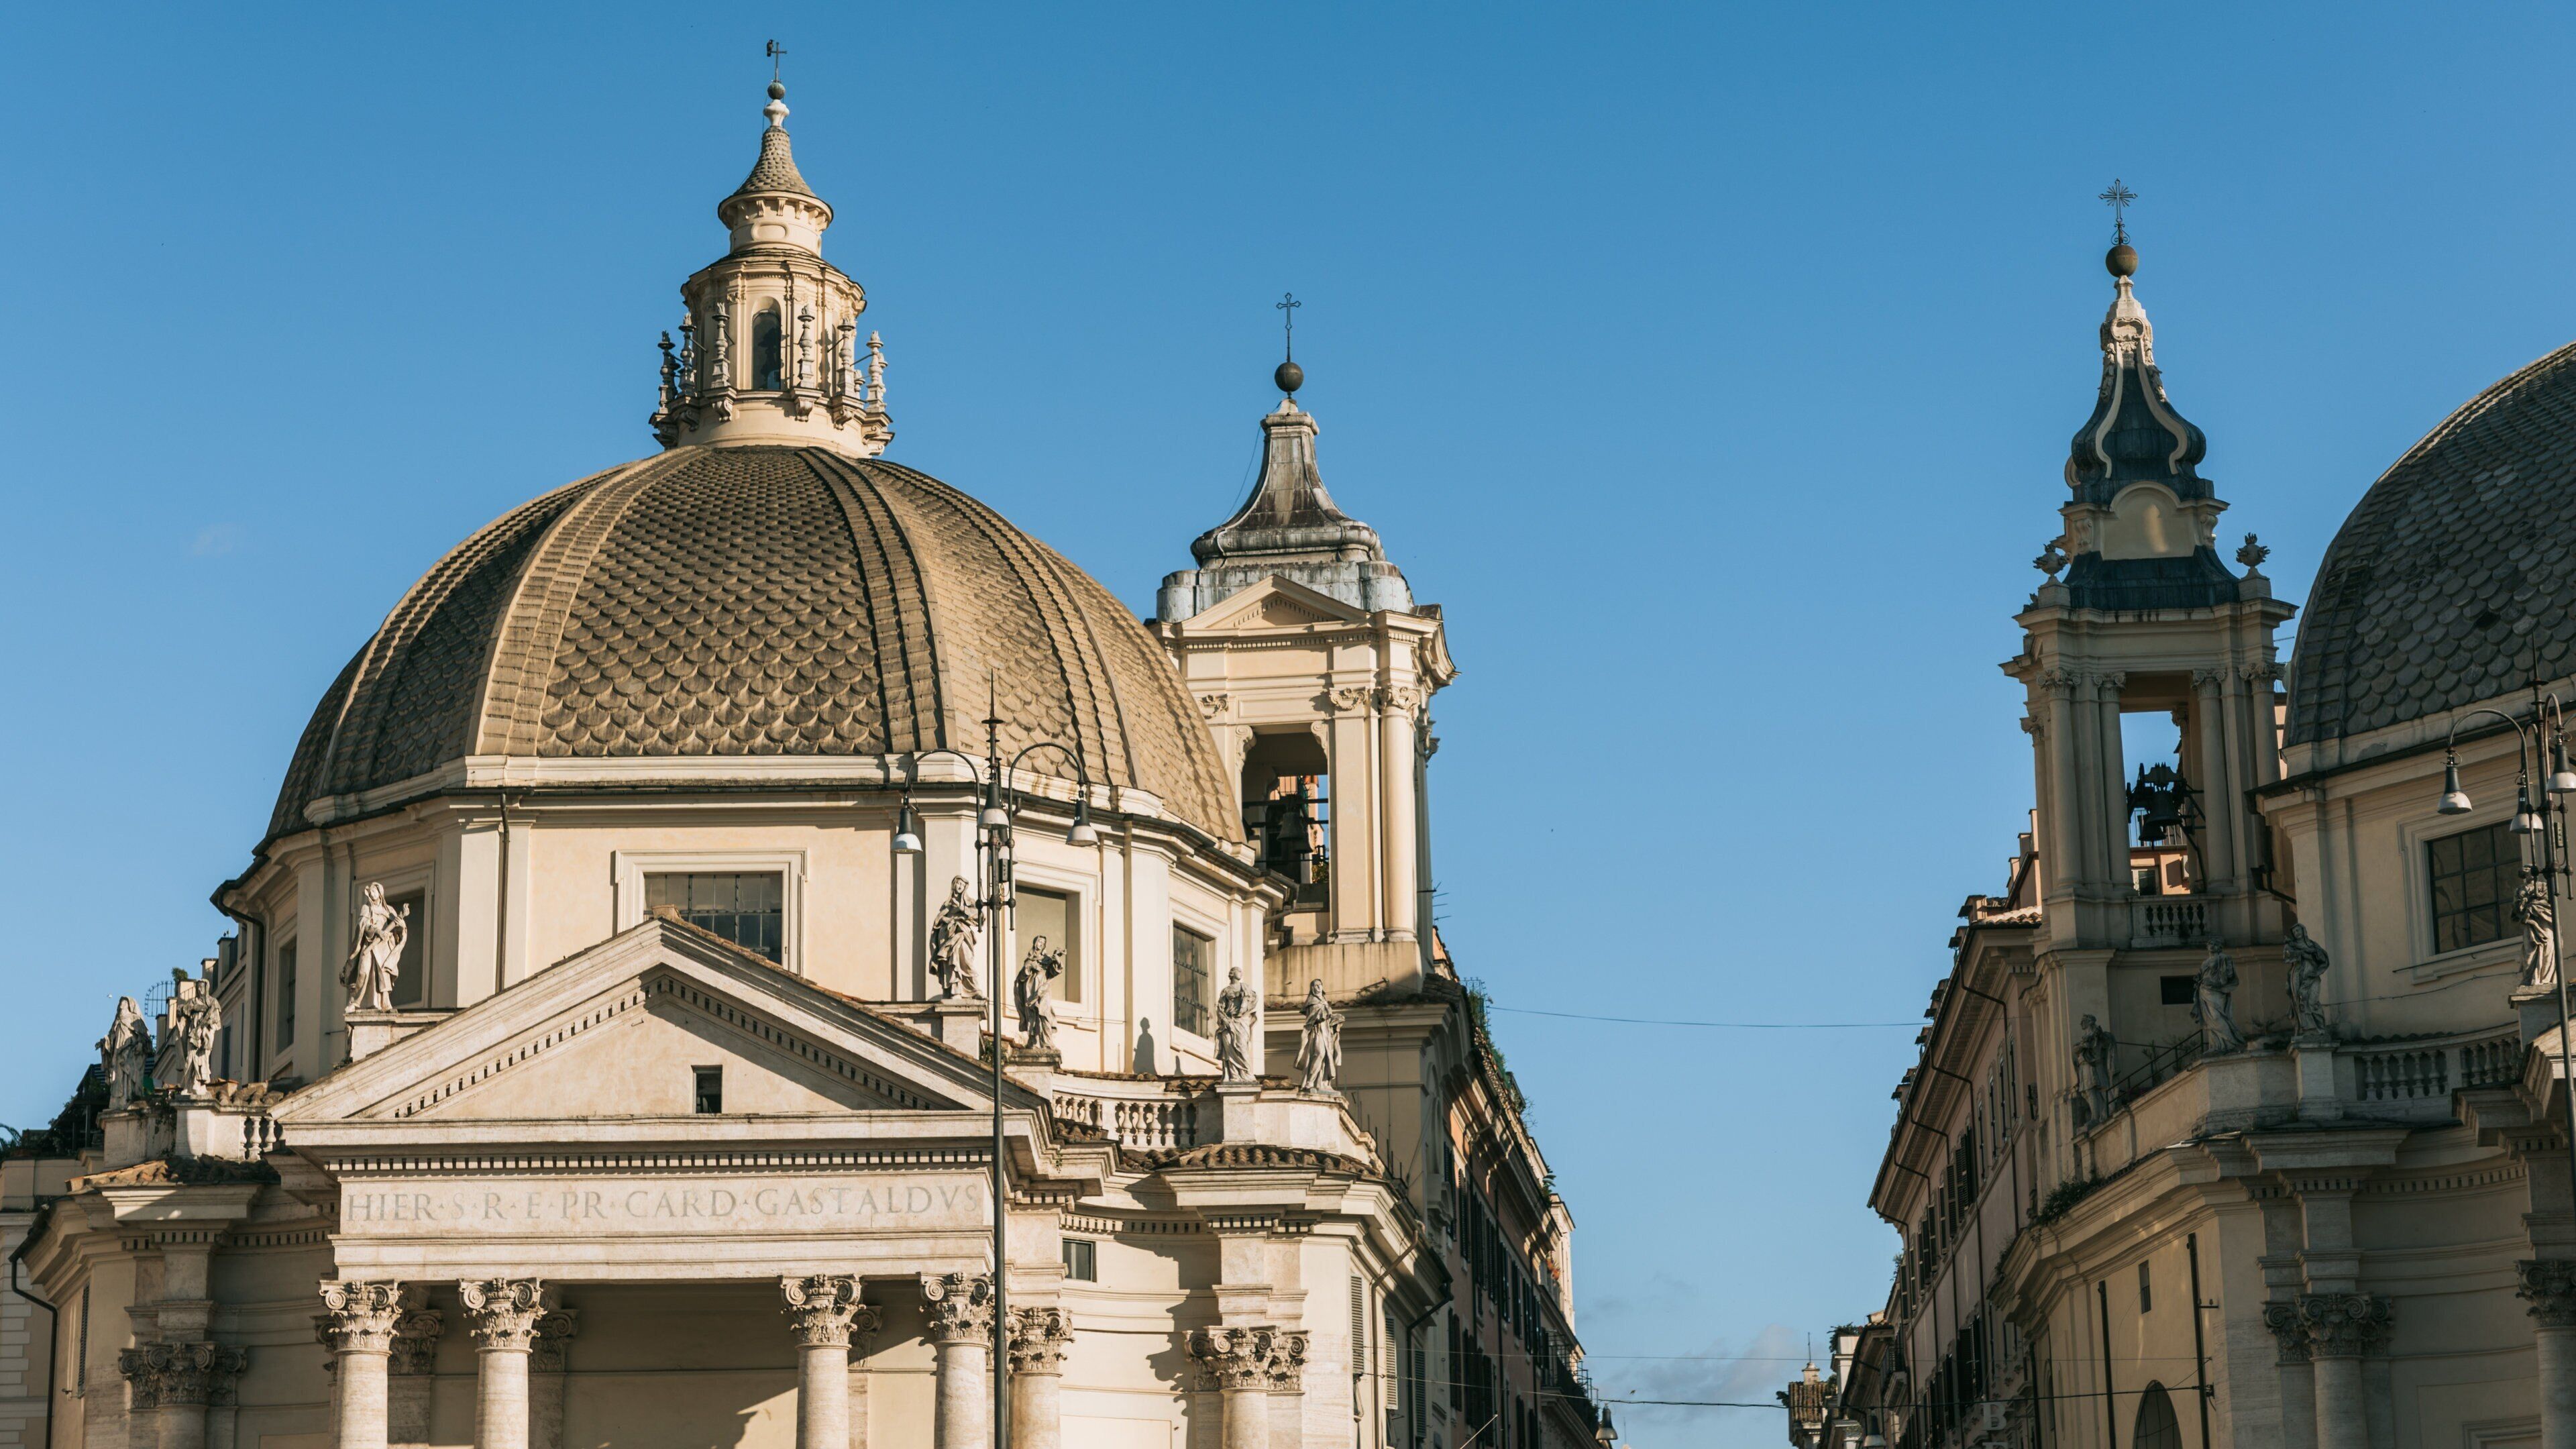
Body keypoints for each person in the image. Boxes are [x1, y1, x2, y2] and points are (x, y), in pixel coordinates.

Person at [345, 882, 409, 1012]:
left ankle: (385, 1004)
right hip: (370, 944)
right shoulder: (367, 908)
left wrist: (401, 926)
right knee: (363, 971)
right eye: (371, 891)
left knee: (383, 974)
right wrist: (377, 931)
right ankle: (355, 1002)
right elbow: (362, 925)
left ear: (380, 893)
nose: (372, 893)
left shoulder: (389, 910)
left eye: (375, 891)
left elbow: (398, 928)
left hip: (384, 948)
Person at [929, 876, 981, 998]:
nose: (959, 886)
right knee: (951, 962)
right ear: (953, 885)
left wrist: (962, 909)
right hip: (947, 935)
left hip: (963, 934)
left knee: (966, 961)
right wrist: (945, 919)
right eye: (958, 883)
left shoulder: (970, 902)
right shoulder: (947, 904)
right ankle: (954, 991)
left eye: (962, 885)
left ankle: (974, 990)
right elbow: (938, 920)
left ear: (965, 888)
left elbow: (979, 917)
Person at [1016, 935, 1065, 1052]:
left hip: (1044, 989)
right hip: (1030, 990)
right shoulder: (1029, 960)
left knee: (1045, 1014)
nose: (1040, 944)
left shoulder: (1047, 959)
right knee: (1032, 1015)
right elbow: (1022, 978)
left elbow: (1056, 970)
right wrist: (1030, 967)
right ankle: (1034, 1041)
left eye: (1043, 943)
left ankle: (1047, 1042)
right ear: (1035, 943)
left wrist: (1057, 958)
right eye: (1039, 942)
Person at [2283, 922, 2332, 1037]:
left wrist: (2310, 954)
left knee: (2313, 1002)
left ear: (2304, 931)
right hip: (2298, 975)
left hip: (2313, 975)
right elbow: (2287, 957)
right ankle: (2306, 1028)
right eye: (2294, 932)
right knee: (2300, 1000)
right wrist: (2299, 953)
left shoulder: (2312, 945)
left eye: (2298, 931)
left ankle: (2320, 1029)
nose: (2297, 933)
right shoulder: (2291, 946)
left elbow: (2323, 958)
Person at [2194, 938, 2242, 1053]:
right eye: (2210, 944)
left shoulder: (2225, 958)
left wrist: (2220, 979)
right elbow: (2201, 976)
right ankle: (2216, 1045)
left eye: (2215, 944)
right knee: (2209, 1018)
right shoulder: (2204, 963)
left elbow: (2230, 975)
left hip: (2217, 991)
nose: (2212, 946)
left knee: (2217, 1016)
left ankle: (2231, 1042)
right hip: (2205, 991)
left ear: (2220, 947)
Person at [101, 997, 149, 1109]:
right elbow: (111, 1039)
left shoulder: (134, 1019)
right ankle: (119, 1101)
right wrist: (105, 1042)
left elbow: (144, 1038)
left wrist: (140, 1044)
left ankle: (129, 1098)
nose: (121, 1003)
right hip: (117, 1053)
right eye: (121, 1001)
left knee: (128, 1074)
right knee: (118, 1076)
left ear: (129, 1004)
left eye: (124, 1001)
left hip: (129, 1051)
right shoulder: (117, 1021)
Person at [1295, 979, 1342, 1094]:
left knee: (1327, 1056)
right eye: (1316, 986)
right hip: (1317, 1032)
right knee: (1319, 1053)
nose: (1318, 987)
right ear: (1312, 988)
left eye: (1320, 985)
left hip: (1327, 1033)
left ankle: (1323, 1083)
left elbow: (1328, 1018)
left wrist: (1336, 1020)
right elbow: (1311, 1018)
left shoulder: (1325, 1001)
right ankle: (1310, 1082)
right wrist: (1321, 1015)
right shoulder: (1312, 1001)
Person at [1214, 968, 1256, 1082]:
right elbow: (1220, 1008)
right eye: (1238, 971)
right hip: (1228, 1022)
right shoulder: (1226, 991)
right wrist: (1224, 1019)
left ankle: (1247, 1074)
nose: (1241, 972)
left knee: (1242, 1047)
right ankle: (1234, 1076)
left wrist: (1245, 1000)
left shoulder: (1245, 987)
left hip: (1242, 1021)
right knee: (1229, 1049)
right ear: (1232, 974)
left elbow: (1253, 1001)